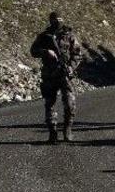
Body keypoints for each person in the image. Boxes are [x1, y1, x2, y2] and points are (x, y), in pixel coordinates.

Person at [29, 11, 83, 143]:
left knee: (70, 104)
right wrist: (46, 52)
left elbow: (77, 54)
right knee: (50, 104)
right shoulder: (44, 36)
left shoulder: (69, 36)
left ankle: (67, 130)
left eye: (60, 19)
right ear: (51, 20)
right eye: (55, 19)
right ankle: (52, 133)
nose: (58, 21)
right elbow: (33, 51)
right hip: (49, 75)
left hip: (65, 74)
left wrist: (71, 66)